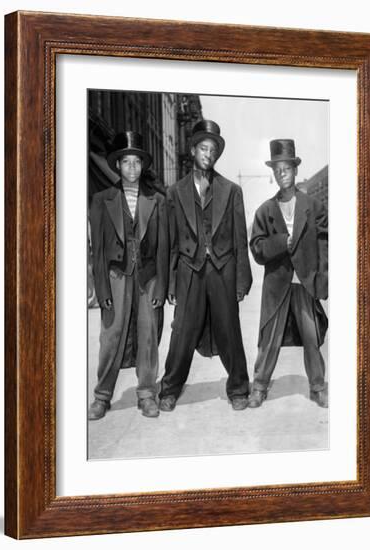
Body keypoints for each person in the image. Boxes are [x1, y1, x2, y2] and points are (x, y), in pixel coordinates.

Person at [158, 120, 252, 412]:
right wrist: (171, 283)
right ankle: (169, 389)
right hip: (189, 269)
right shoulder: (175, 192)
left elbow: (240, 239)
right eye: (203, 147)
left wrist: (241, 281)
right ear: (193, 149)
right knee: (182, 331)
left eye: (213, 149)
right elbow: (171, 242)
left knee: (229, 330)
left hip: (223, 268)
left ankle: (238, 388)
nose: (208, 153)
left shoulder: (232, 190)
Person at [88, 131, 168, 420]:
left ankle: (147, 393)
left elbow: (164, 247)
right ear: (118, 165)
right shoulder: (101, 200)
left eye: (137, 162)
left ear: (142, 166)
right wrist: (102, 289)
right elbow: (97, 250)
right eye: (127, 162)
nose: (132, 168)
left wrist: (162, 287)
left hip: (148, 277)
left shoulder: (157, 200)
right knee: (111, 336)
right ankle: (102, 396)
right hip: (116, 276)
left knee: (148, 335)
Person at [248, 139, 328, 409]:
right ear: (273, 173)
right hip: (277, 284)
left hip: (304, 282)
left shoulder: (313, 206)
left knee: (311, 336)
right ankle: (259, 386)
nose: (282, 173)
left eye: (287, 168)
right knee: (269, 339)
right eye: (277, 169)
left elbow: (325, 242)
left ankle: (318, 386)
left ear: (295, 170)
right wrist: (282, 242)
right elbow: (257, 248)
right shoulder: (265, 210)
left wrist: (323, 276)